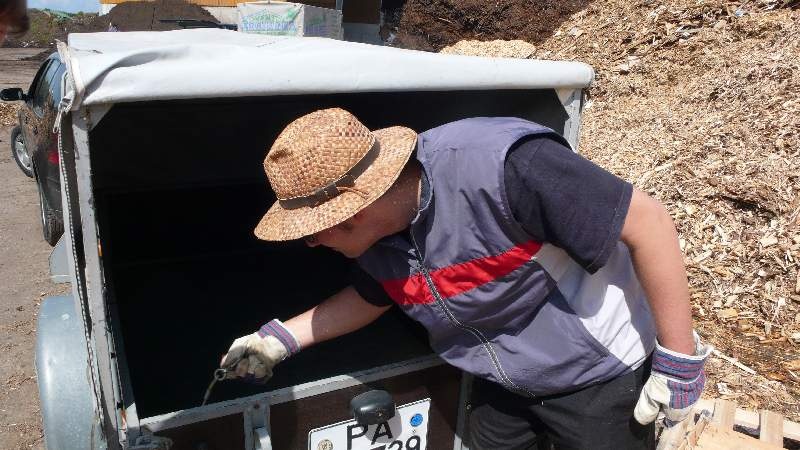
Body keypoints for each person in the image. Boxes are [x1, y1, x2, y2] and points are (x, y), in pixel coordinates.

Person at [221, 108, 712, 449]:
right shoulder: (379, 242)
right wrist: (279, 340)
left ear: (354, 210)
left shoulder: (504, 167)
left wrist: (678, 362)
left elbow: (648, 223)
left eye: (311, 232)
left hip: (596, 374)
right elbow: (372, 297)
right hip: (503, 379)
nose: (311, 244)